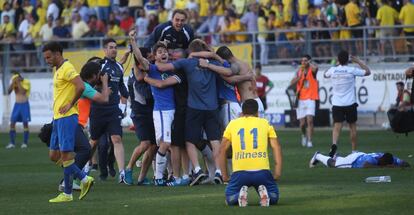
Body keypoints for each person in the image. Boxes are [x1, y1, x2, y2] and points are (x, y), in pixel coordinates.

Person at [155, 39, 234, 186]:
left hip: (194, 107)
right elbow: (229, 70)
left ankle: (197, 170)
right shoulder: (214, 64)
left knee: (190, 140)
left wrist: (155, 59)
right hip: (212, 108)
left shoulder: (187, 63)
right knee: (214, 140)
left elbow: (162, 68)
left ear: (191, 51)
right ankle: (218, 171)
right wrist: (214, 57)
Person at [42, 42, 94, 203]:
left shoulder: (67, 67)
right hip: (58, 118)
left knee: (66, 156)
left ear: (58, 53)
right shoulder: (58, 70)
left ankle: (68, 193)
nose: (47, 60)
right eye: (45, 58)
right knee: (54, 155)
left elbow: (80, 86)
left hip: (67, 118)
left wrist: (71, 104)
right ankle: (83, 178)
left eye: (49, 57)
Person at [219, 99, 282, 207]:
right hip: (262, 171)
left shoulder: (233, 124)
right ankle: (265, 195)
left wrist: (224, 175)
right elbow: (276, 147)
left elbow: (222, 150)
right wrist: (277, 172)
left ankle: (239, 195)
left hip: (240, 172)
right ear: (257, 113)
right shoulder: (265, 123)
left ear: (242, 112)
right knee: (274, 197)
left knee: (229, 199)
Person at [89, 38, 129, 184]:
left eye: (115, 47)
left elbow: (123, 90)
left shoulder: (119, 66)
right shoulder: (99, 65)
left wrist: (122, 108)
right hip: (98, 109)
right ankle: (83, 169)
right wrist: (100, 87)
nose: (114, 50)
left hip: (113, 110)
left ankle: (122, 174)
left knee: (116, 139)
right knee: (94, 142)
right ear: (105, 50)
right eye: (111, 47)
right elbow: (88, 85)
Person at [324, 50, 371, 157]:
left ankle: (334, 146)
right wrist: (358, 61)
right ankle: (354, 151)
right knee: (352, 127)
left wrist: (334, 64)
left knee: (337, 127)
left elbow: (325, 74)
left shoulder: (333, 70)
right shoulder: (351, 70)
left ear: (338, 59)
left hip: (337, 103)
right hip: (350, 103)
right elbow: (368, 72)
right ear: (348, 60)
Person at [215, 46, 264, 112]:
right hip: (255, 101)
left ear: (224, 59)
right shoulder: (244, 63)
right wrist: (246, 77)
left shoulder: (235, 66)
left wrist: (213, 69)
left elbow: (230, 79)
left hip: (250, 105)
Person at [290, 55, 319, 148]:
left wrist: (310, 63)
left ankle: (310, 141)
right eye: (302, 61)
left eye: (305, 60)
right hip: (301, 99)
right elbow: (292, 83)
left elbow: (316, 68)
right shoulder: (299, 72)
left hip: (310, 98)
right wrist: (299, 76)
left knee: (310, 121)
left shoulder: (312, 70)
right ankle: (303, 135)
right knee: (302, 123)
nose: (303, 62)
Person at [6, 73, 31, 149]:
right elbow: (8, 91)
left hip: (24, 105)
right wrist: (13, 83)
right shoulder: (15, 82)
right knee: (12, 123)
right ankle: (12, 143)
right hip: (17, 105)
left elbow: (23, 92)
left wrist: (18, 82)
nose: (15, 80)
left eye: (16, 78)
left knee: (25, 123)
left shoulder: (26, 82)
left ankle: (24, 143)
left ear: (20, 77)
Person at [309, 151, 410, 168]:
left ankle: (337, 157)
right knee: (334, 165)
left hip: (360, 155)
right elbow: (366, 166)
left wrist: (399, 165)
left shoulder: (389, 158)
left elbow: (404, 163)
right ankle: (318, 155)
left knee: (338, 161)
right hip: (354, 161)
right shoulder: (372, 161)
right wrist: (385, 168)